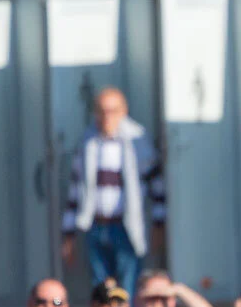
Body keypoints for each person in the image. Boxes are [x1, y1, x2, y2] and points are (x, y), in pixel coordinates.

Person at [60, 87, 164, 292]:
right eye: (102, 111)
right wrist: (68, 234)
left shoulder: (138, 141)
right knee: (101, 289)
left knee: (129, 287)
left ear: (123, 111)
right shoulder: (88, 142)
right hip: (95, 225)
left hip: (126, 226)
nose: (107, 117)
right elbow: (75, 190)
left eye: (113, 111)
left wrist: (159, 225)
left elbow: (157, 188)